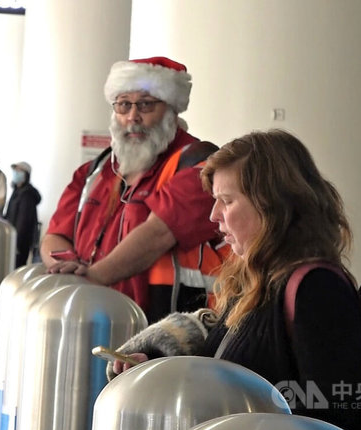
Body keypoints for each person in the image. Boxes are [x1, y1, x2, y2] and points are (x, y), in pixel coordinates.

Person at [109, 130, 361, 430]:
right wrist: (158, 363)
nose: (214, 215)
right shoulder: (255, 278)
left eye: (226, 201)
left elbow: (336, 411)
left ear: (272, 206)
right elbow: (222, 366)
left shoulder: (317, 288)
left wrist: (248, 413)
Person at [41, 56, 226, 323]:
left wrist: (88, 279)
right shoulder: (95, 170)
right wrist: (66, 267)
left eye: (146, 105)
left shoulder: (200, 164)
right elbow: (54, 235)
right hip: (91, 318)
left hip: (163, 333)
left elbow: (157, 234)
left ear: (172, 110)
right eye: (123, 105)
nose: (132, 117)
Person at [4, 161, 41, 268]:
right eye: (15, 170)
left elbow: (23, 221)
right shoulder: (17, 191)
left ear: (26, 174)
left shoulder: (27, 194)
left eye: (19, 170)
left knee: (16, 268)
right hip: (12, 238)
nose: (16, 173)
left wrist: (16, 242)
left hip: (19, 242)